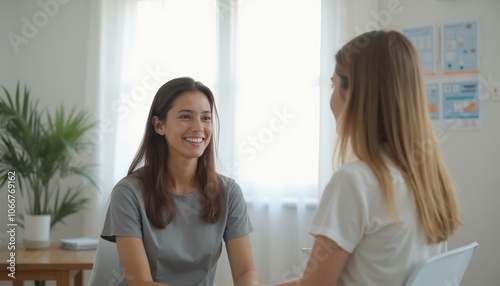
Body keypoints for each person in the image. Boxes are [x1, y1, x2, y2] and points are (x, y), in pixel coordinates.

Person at [273, 30, 462, 286]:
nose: (330, 99)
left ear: (354, 93)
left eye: (333, 85)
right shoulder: (427, 180)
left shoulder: (354, 182)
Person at [101, 77, 259, 286]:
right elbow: (140, 283)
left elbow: (246, 272)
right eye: (186, 117)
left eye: (205, 118)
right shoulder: (128, 193)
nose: (198, 127)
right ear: (159, 125)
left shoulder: (228, 192)